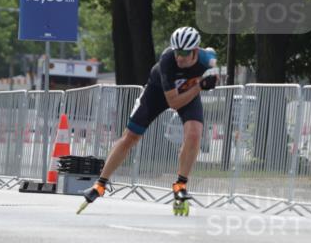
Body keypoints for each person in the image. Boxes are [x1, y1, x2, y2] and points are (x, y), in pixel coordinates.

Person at [78, 26, 218, 214]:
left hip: (188, 93)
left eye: (184, 52)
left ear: (195, 51)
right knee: (130, 137)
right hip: (158, 94)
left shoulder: (206, 58)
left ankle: (181, 185)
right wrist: (200, 86)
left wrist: (213, 76)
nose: (179, 56)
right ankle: (100, 184)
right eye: (177, 51)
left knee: (194, 135)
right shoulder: (167, 61)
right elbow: (174, 102)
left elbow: (213, 65)